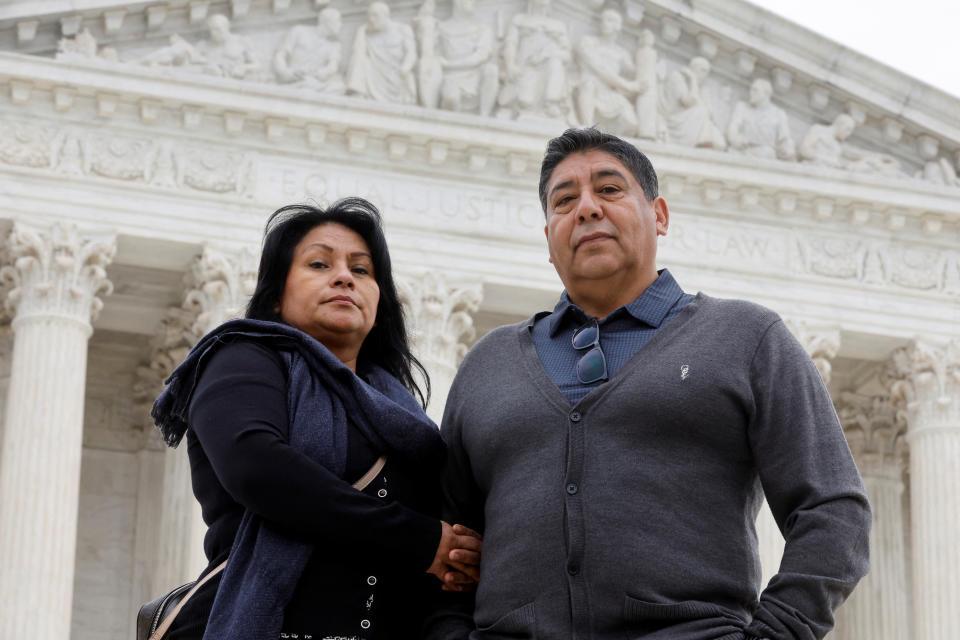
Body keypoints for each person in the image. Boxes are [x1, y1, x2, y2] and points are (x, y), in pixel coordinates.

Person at [427, 128, 871, 640]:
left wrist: (778, 632)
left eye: (609, 190)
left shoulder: (746, 337)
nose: (587, 208)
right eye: (564, 200)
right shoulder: (489, 362)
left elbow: (833, 508)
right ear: (548, 240)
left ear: (659, 215)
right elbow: (449, 542)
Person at [151, 198, 482, 639]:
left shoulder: (402, 410)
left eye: (361, 270)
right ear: (274, 297)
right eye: (319, 265)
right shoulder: (240, 358)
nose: (344, 276)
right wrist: (420, 541)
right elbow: (259, 467)